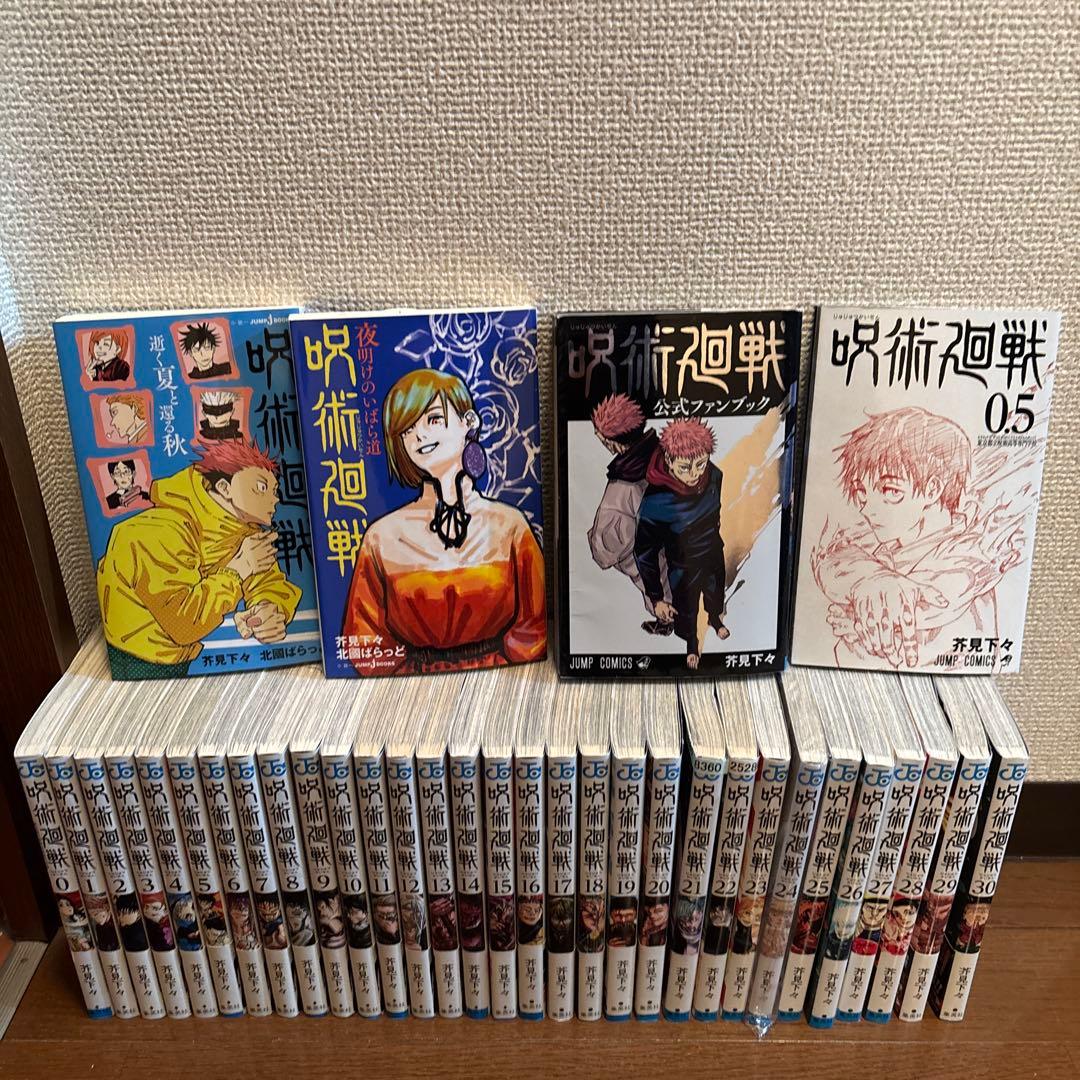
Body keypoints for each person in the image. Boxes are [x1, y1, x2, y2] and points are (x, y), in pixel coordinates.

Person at [342, 368, 546, 675]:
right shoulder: (381, 537)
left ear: (468, 423)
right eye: (407, 429)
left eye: (433, 419)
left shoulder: (511, 526)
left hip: (504, 677)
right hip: (407, 690)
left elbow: (534, 627)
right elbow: (365, 642)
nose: (419, 435)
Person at [812, 406, 1013, 668]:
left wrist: (860, 619)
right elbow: (831, 560)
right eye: (862, 492)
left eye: (890, 490)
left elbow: (940, 598)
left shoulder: (969, 556)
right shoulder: (884, 549)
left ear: (932, 489)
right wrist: (867, 586)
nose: (867, 508)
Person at [96, 439, 301, 678]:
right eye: (261, 487)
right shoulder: (156, 530)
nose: (275, 500)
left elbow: (266, 580)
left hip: (181, 659)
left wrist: (267, 609)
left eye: (274, 491)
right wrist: (238, 570)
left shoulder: (243, 529)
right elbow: (183, 625)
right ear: (224, 488)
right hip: (137, 658)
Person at [634, 418, 728, 669]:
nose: (695, 474)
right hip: (682, 564)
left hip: (713, 550)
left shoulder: (714, 475)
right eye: (685, 467)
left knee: (716, 592)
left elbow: (716, 511)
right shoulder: (654, 502)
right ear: (668, 459)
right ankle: (691, 646)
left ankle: (715, 620)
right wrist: (656, 598)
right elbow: (644, 552)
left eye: (701, 464)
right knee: (686, 610)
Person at [586, 393, 671, 633]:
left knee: (658, 585)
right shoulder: (663, 453)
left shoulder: (622, 487)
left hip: (648, 560)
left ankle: (667, 621)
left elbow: (606, 546)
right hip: (674, 548)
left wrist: (595, 539)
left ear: (611, 443)